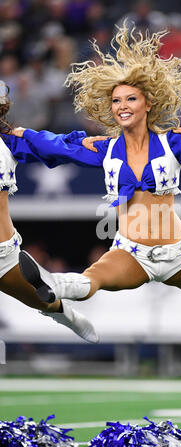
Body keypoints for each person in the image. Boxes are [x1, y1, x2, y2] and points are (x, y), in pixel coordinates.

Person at [0, 25, 181, 340]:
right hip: (131, 252)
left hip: (176, 250)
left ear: (148, 104)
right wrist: (16, 137)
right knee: (91, 279)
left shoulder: (174, 143)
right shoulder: (104, 148)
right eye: (116, 101)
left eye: (130, 99)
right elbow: (54, 145)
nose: (122, 106)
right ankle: (52, 286)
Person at [0, 83, 99, 344]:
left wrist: (85, 143)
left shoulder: (10, 141)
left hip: (3, 256)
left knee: (43, 300)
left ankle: (64, 314)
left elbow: (56, 145)